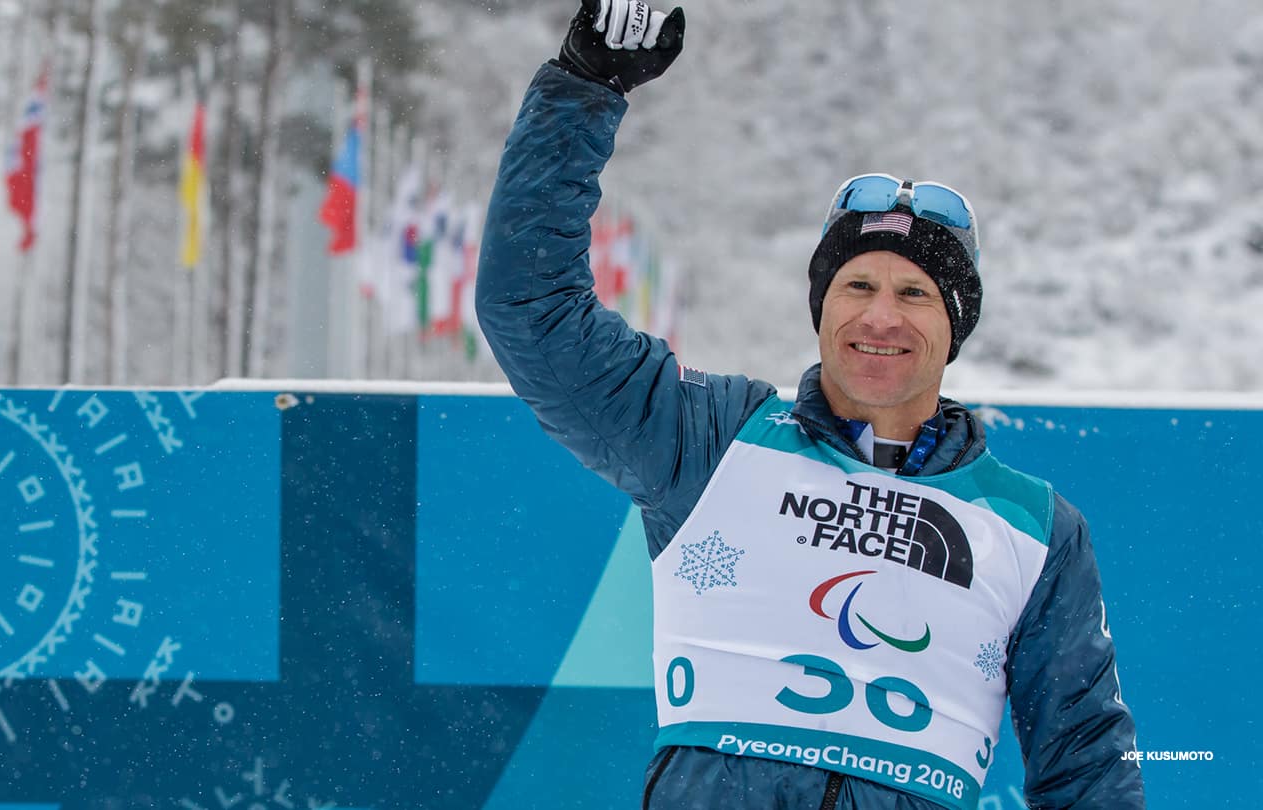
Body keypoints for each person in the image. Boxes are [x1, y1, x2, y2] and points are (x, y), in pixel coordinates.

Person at [475, 1, 1146, 808]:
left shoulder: (1035, 531)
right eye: (857, 285)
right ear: (822, 308)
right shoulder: (714, 439)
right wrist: (584, 89)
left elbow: (1087, 770)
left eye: (915, 293)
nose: (880, 317)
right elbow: (532, 311)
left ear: (955, 326)